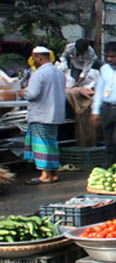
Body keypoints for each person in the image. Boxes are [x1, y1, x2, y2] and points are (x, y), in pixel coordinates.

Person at [21, 46, 66, 185]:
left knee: (42, 144)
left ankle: (45, 175)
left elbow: (32, 94)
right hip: (54, 114)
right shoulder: (58, 72)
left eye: (34, 58)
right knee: (52, 143)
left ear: (39, 58)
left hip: (41, 115)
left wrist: (23, 93)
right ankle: (54, 173)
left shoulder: (39, 74)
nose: (33, 61)